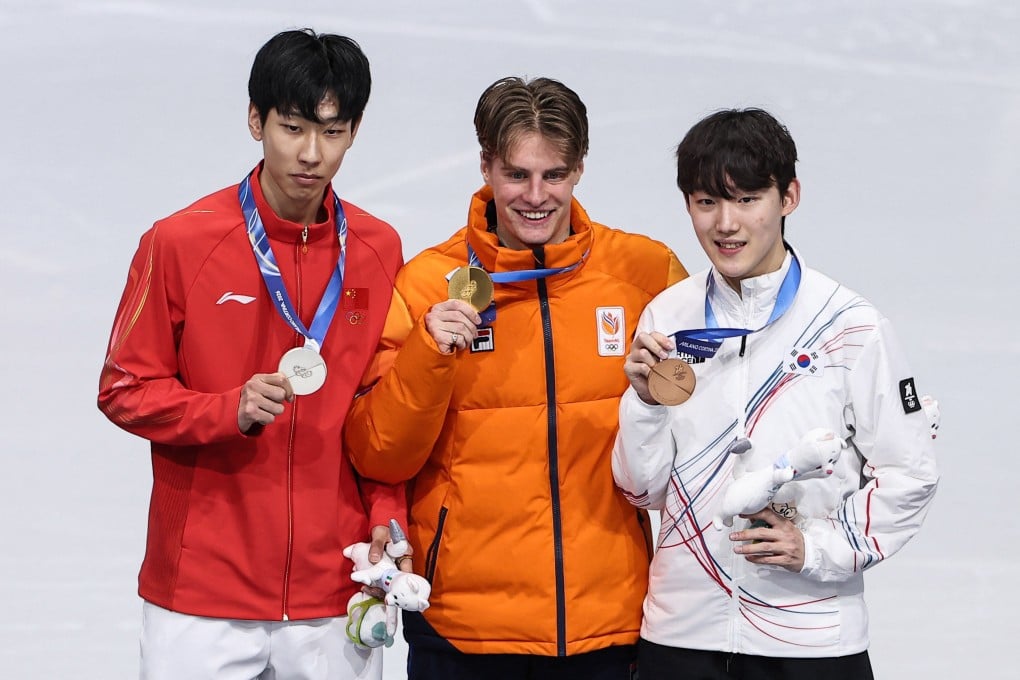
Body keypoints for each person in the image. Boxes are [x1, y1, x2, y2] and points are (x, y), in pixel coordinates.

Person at [343, 76, 687, 678]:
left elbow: (701, 428)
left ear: (580, 167)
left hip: (607, 623)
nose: (535, 196)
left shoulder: (643, 273)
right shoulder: (427, 284)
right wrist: (428, 352)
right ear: (485, 166)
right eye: (516, 174)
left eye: (553, 174)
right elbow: (379, 453)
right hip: (463, 630)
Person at [97, 29, 406, 680]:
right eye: (292, 127)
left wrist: (386, 516)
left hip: (333, 588)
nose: (312, 154)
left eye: (333, 131)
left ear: (355, 131)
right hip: (203, 595)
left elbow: (384, 408)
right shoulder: (180, 243)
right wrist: (224, 409)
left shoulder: (378, 250)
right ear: (254, 120)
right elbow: (124, 387)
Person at [611, 108, 940, 679]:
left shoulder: (850, 325)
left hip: (810, 641)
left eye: (746, 200)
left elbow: (910, 473)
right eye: (706, 202)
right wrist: (642, 403)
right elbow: (643, 491)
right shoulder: (669, 316)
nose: (726, 224)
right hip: (683, 637)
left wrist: (818, 550)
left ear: (788, 196)